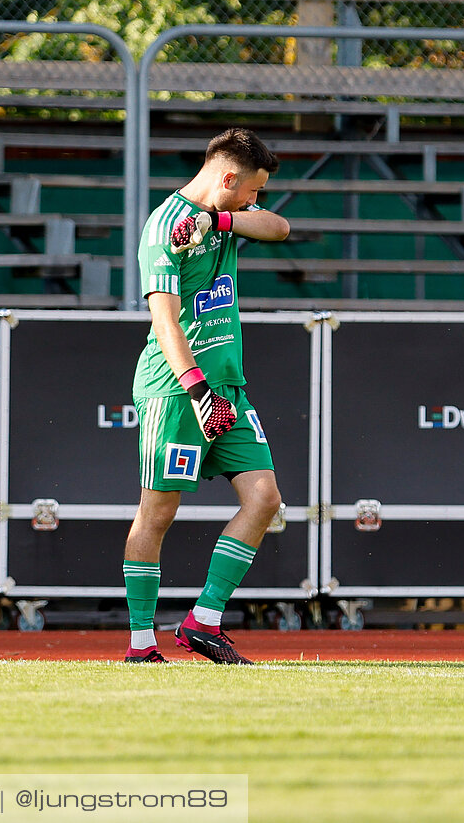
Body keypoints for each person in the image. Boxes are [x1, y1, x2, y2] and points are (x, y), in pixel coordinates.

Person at [125, 127, 289, 665]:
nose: (254, 201)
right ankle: (141, 646)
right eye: (250, 190)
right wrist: (198, 392)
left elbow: (280, 228)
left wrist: (221, 218)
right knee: (157, 514)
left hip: (228, 388)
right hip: (175, 392)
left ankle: (203, 622)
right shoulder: (163, 229)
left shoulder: (222, 220)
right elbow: (165, 323)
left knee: (264, 498)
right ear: (227, 177)